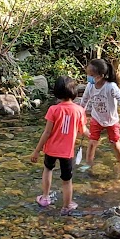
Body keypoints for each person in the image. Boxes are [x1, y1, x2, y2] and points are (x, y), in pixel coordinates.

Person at [30, 77, 85, 214]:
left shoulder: (53, 109)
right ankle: (66, 206)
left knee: (48, 170)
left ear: (57, 92)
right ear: (74, 92)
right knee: (67, 180)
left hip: (51, 149)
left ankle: (45, 198)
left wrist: (37, 151)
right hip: (67, 152)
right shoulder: (79, 110)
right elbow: (83, 130)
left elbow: (47, 132)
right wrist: (94, 136)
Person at [80, 59, 120, 171]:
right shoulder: (90, 86)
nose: (89, 77)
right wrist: (80, 115)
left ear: (101, 75)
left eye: (91, 75)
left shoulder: (111, 87)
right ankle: (89, 163)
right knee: (92, 142)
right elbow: (84, 101)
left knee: (115, 142)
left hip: (112, 120)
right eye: (88, 74)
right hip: (96, 119)